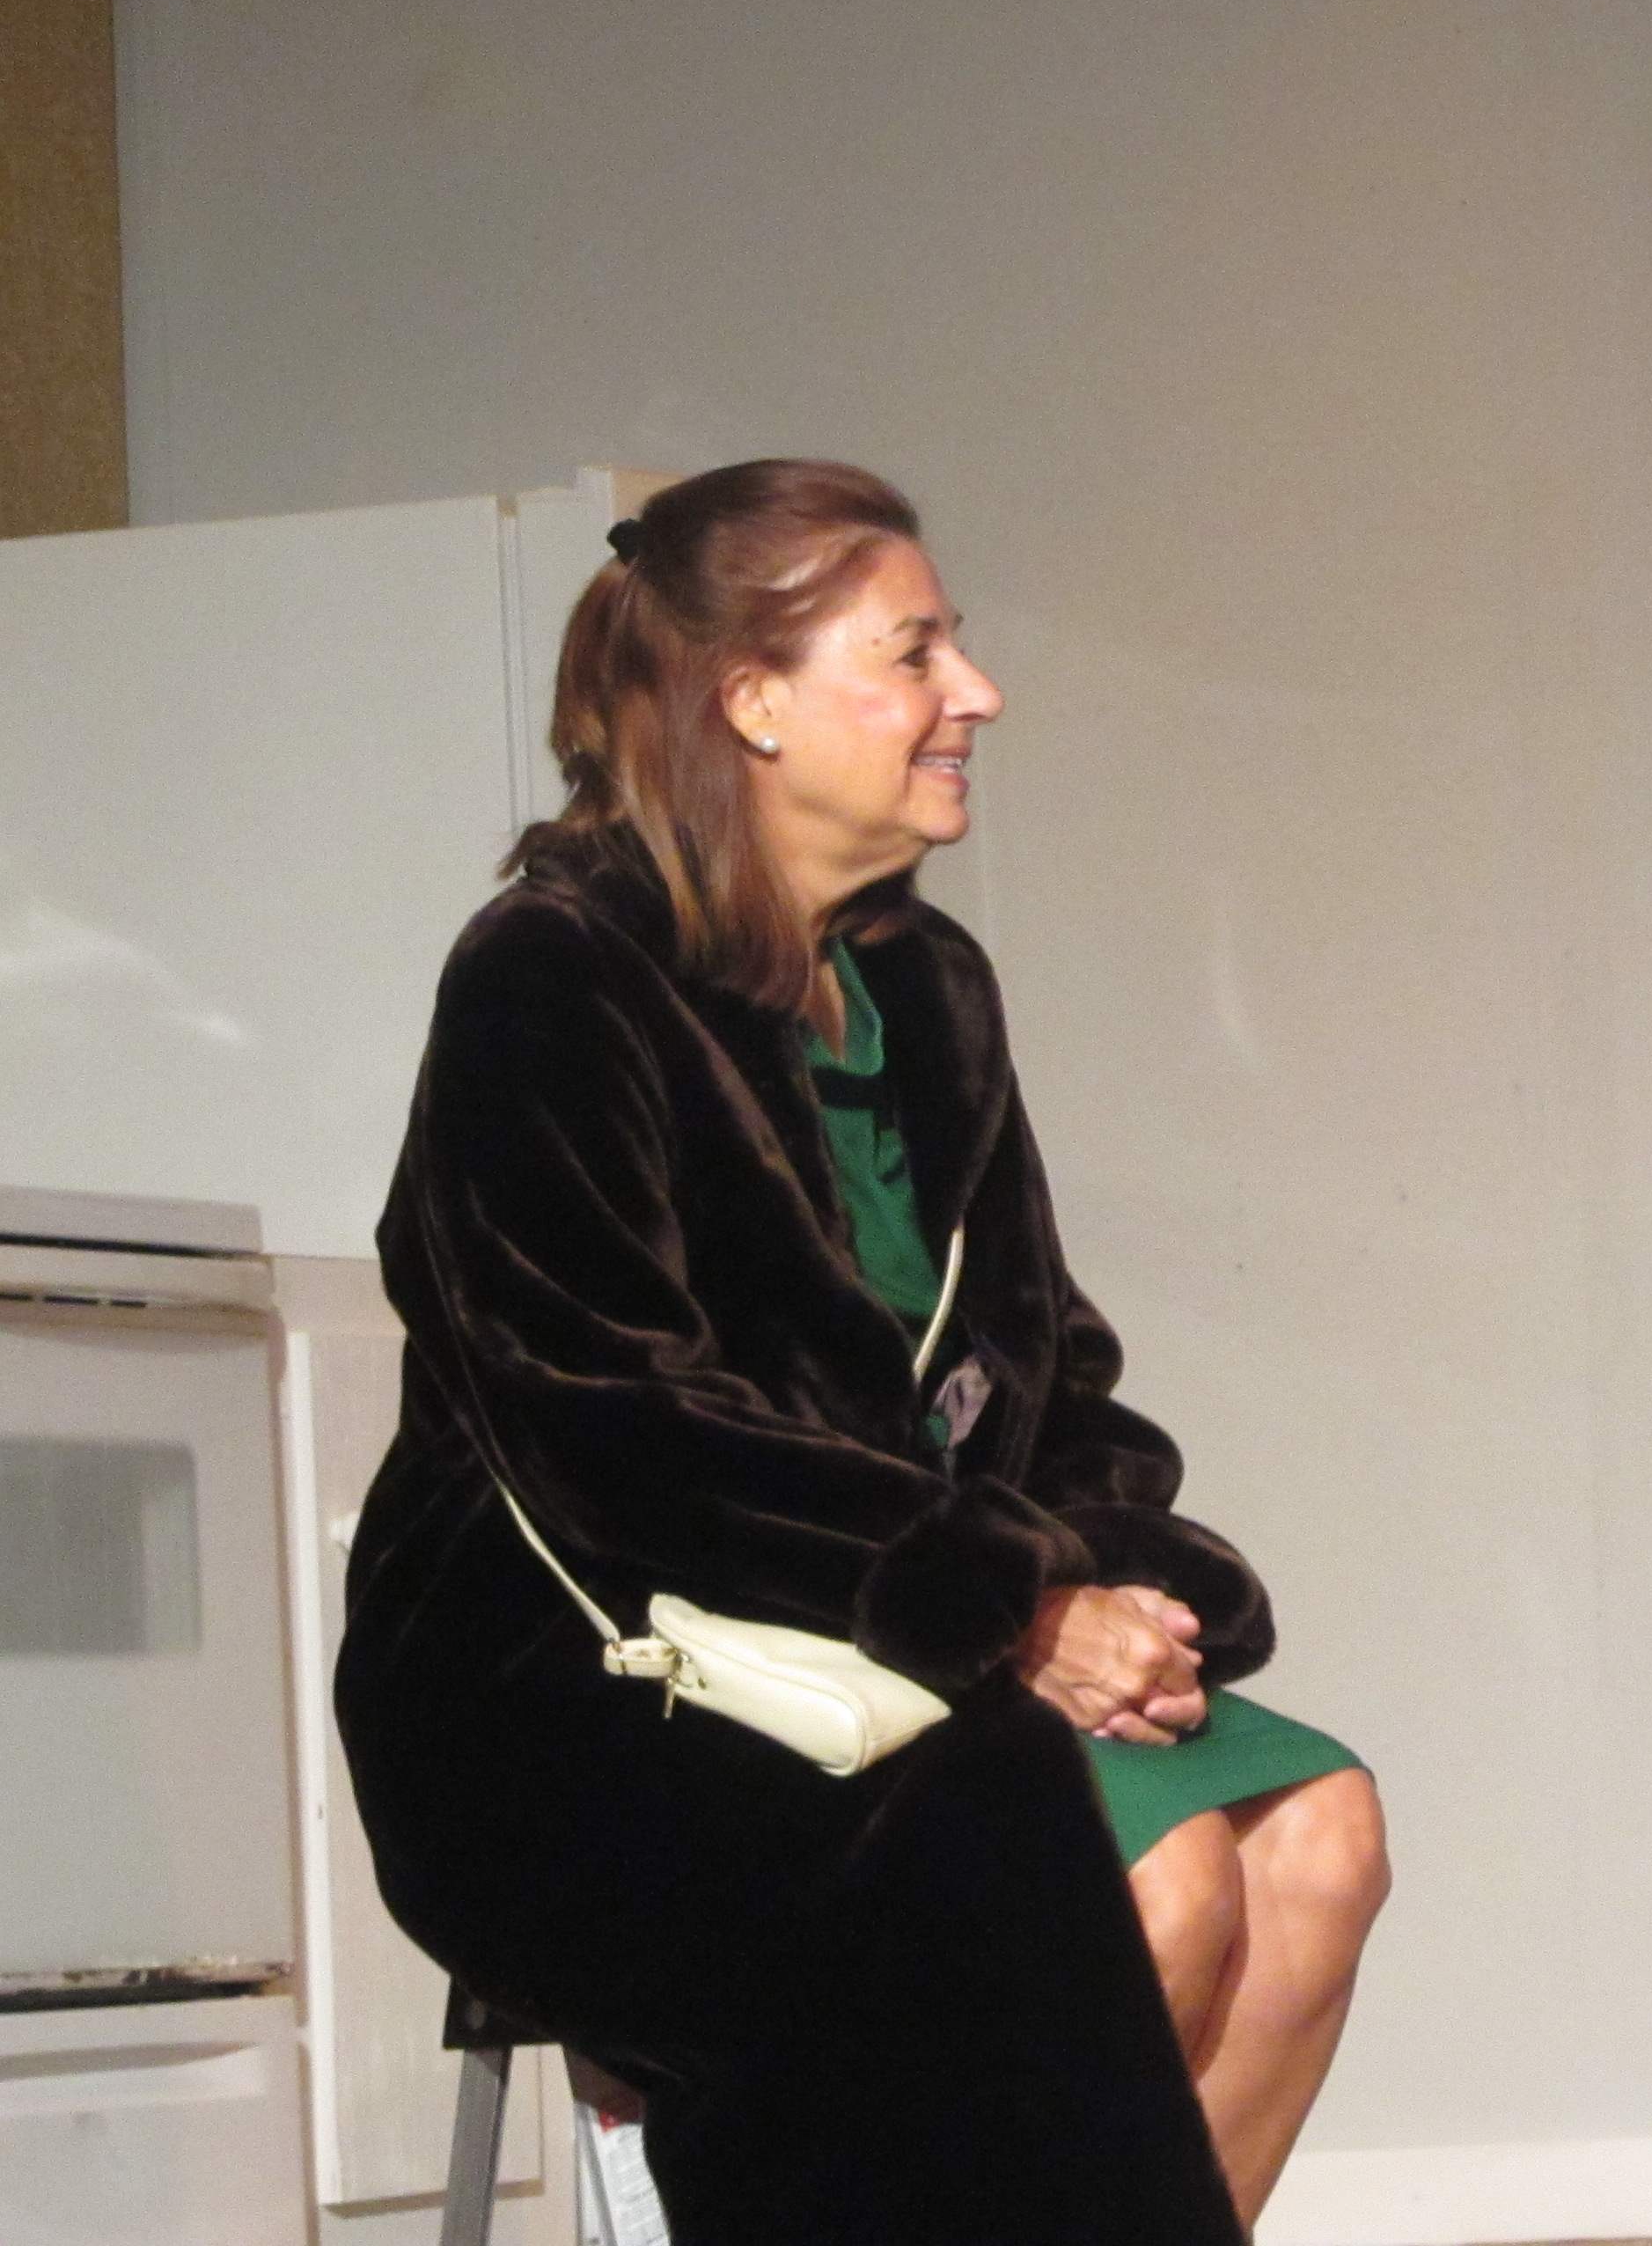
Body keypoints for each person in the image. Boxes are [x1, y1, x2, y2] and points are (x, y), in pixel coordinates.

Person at [336, 459, 1386, 2244]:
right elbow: (614, 1425)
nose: (976, 694)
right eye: (914, 655)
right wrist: (1016, 1610)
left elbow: (1045, 1372)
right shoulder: (555, 974)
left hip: (900, 1637)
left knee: (1316, 1838)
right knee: (1152, 1887)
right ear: (752, 702)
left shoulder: (927, 985)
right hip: (585, 1687)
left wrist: (1118, 1585)